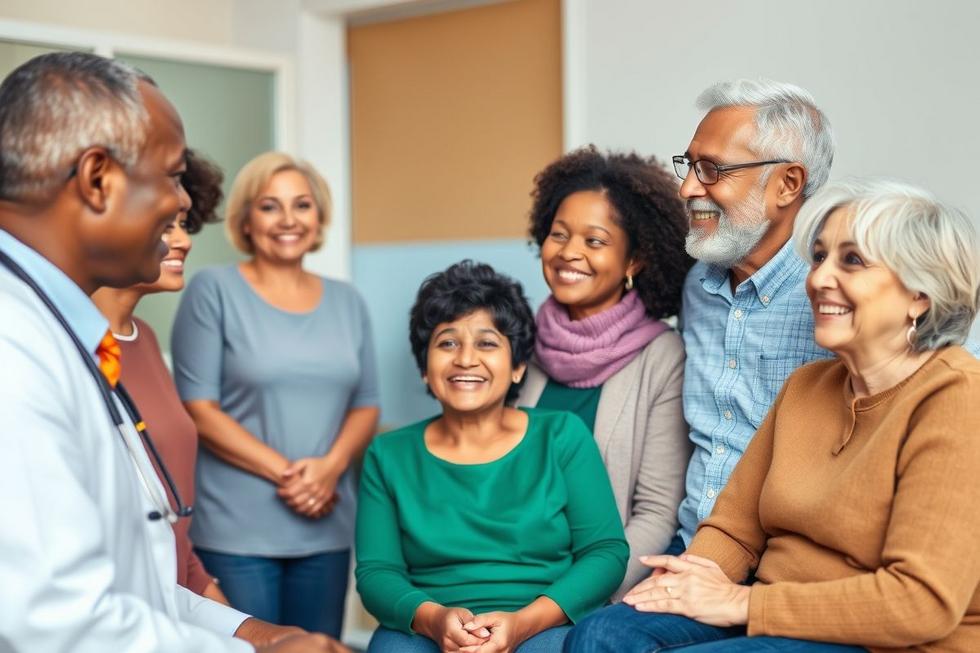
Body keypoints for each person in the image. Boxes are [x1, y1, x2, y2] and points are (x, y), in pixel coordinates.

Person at [0, 52, 342, 652]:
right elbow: (59, 623)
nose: (180, 204)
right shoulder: (14, 345)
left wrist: (261, 637)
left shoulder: (70, 334)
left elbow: (147, 577)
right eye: (171, 176)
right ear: (98, 179)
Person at [566, 179, 980, 651]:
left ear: (920, 295)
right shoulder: (806, 387)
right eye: (819, 257)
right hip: (775, 610)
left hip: (881, 637)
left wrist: (742, 604)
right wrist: (685, 583)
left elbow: (920, 603)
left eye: (852, 261)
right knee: (602, 633)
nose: (818, 279)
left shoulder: (957, 397)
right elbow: (734, 528)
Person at [356, 261, 629, 652]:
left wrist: (523, 623)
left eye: (486, 343)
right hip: (427, 625)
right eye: (447, 343)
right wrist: (433, 619)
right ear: (425, 368)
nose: (466, 359)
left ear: (518, 366)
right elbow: (377, 573)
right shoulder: (388, 454)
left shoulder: (562, 435)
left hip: (542, 621)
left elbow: (605, 553)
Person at [172, 151, 380, 636]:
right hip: (235, 530)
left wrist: (328, 471)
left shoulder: (347, 300)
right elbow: (198, 408)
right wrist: (293, 477)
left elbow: (367, 404)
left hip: (326, 523)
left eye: (302, 205)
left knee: (317, 647)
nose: (288, 220)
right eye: (270, 206)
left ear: (319, 217)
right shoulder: (212, 290)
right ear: (246, 220)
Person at [517, 146, 693, 596]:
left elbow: (655, 515)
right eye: (559, 235)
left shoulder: (662, 358)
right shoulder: (519, 343)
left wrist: (570, 598)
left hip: (594, 592)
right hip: (508, 577)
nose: (569, 253)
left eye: (594, 241)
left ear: (634, 260)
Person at [669, 79, 835, 554]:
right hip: (688, 546)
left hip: (783, 565)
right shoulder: (696, 285)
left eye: (711, 169)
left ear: (787, 184)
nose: (687, 188)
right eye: (689, 165)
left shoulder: (836, 295)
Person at [91, 149, 228, 602]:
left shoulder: (144, 339)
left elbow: (170, 507)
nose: (184, 241)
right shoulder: (75, 347)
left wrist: (206, 590)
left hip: (179, 587)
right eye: (167, 226)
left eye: (184, 225)